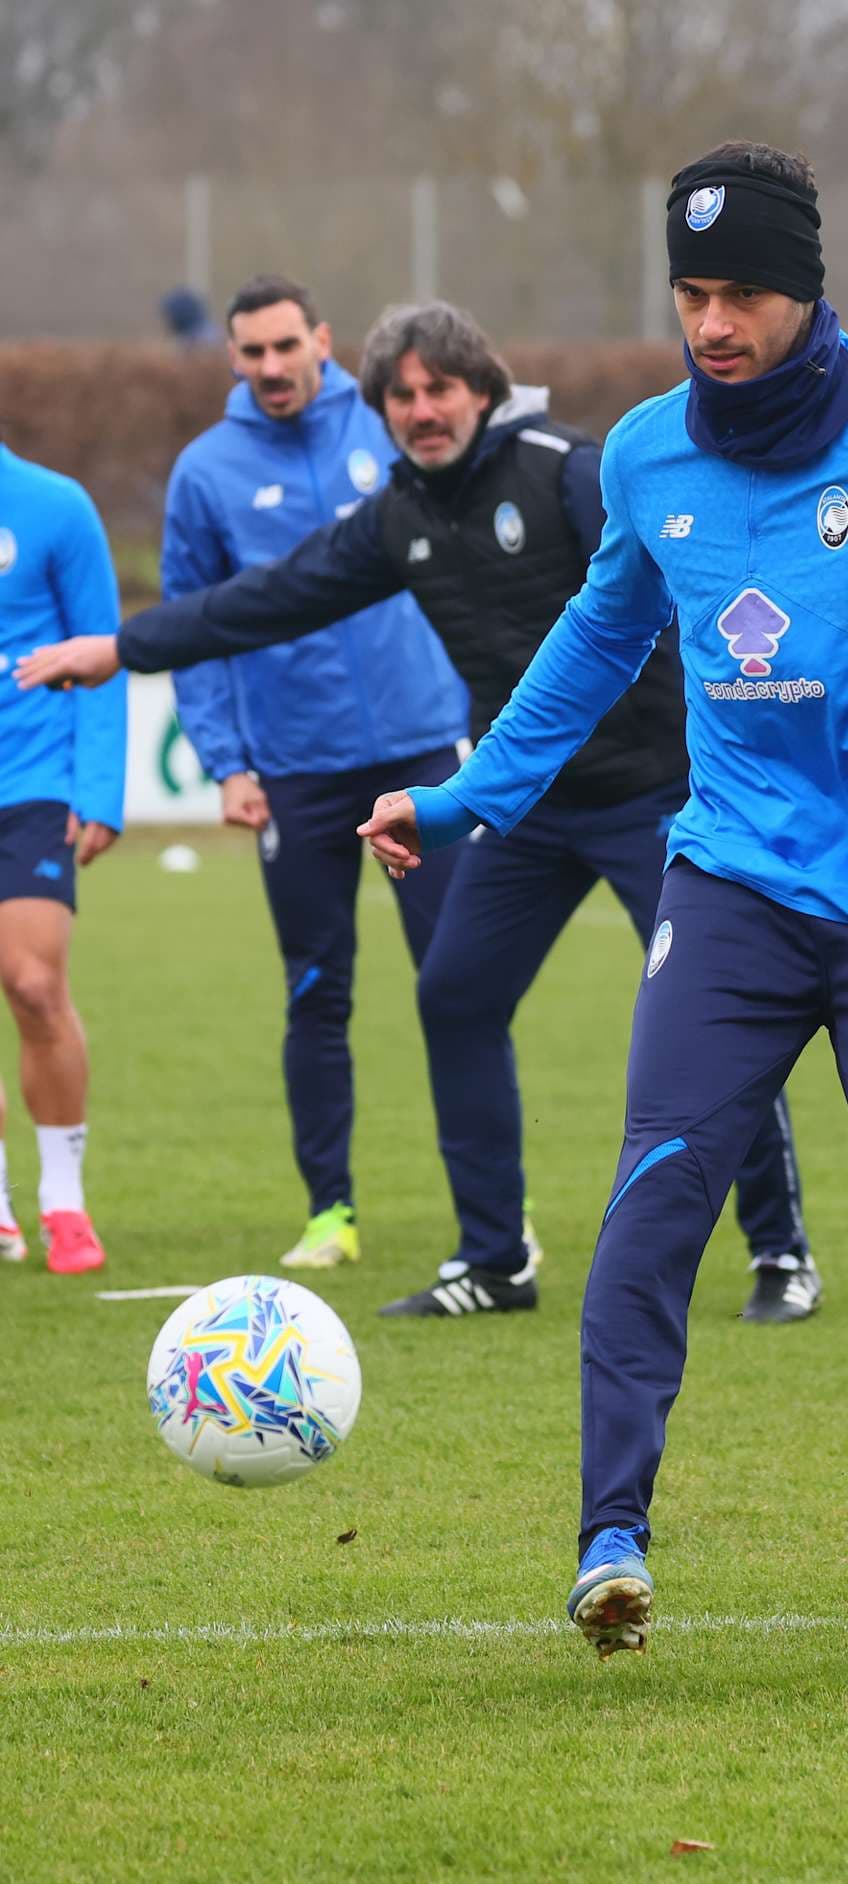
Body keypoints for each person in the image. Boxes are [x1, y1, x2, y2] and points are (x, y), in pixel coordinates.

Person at [341, 145, 848, 1685]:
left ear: (809, 290)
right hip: (732, 882)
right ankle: (613, 1542)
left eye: (742, 291)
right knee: (658, 1192)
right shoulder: (647, 458)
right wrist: (464, 797)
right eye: (691, 292)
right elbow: (595, 640)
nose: (714, 322)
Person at [16, 300, 824, 1326]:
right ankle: (495, 1261)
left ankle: (780, 1252)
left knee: (711, 1013)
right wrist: (122, 650)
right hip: (520, 805)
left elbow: (695, 585)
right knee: (454, 997)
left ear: (480, 389)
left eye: (440, 388)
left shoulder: (564, 467)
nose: (421, 409)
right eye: (401, 395)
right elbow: (267, 598)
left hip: (657, 795)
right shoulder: (400, 514)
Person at [162, 273, 471, 1270]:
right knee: (314, 991)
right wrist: (227, 762)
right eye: (250, 354)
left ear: (322, 341)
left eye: (285, 347)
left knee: (459, 983)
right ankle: (329, 1213)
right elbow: (193, 626)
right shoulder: (205, 473)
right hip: (294, 770)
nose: (270, 367)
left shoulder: (389, 429)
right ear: (234, 361)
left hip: (425, 750)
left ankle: (490, 1222)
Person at [0, 442, 126, 1272]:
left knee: (35, 984)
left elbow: (105, 649)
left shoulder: (54, 503)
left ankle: (63, 1203)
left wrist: (102, 788)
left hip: (33, 776)